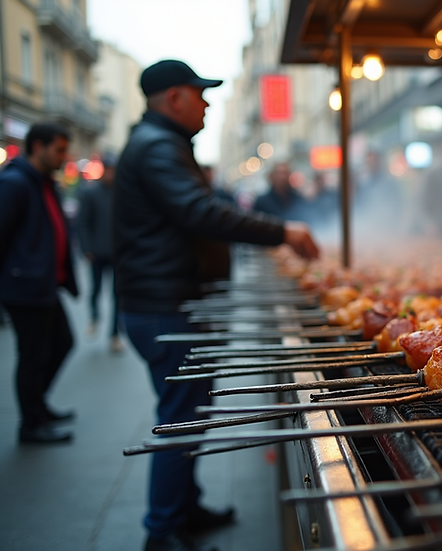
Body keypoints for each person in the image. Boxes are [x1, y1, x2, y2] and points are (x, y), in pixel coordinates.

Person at [114, 59, 319, 551]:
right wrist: (281, 232)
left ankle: (185, 507)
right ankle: (161, 531)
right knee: (181, 420)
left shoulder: (163, 145)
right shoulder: (156, 146)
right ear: (174, 99)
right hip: (166, 307)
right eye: (199, 94)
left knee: (192, 413)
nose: (206, 103)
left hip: (173, 301)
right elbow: (199, 212)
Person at [0, 122, 77, 444]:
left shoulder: (44, 182)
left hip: (44, 284)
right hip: (24, 287)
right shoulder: (15, 183)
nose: (64, 156)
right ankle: (30, 423)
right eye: (58, 149)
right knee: (33, 356)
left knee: (61, 344)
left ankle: (38, 406)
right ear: (38, 147)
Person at [76, 155, 123, 352]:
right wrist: (87, 248)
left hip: (117, 253)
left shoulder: (122, 193)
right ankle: (94, 317)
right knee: (95, 289)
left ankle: (114, 334)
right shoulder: (91, 192)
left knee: (117, 295)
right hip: (96, 251)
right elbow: (83, 222)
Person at [353, 150, 402, 236]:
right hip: (368, 229)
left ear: (379, 162)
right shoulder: (363, 183)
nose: (371, 164)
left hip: (388, 228)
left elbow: (398, 205)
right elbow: (359, 206)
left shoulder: (390, 183)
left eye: (373, 161)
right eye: (369, 162)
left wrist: (395, 225)